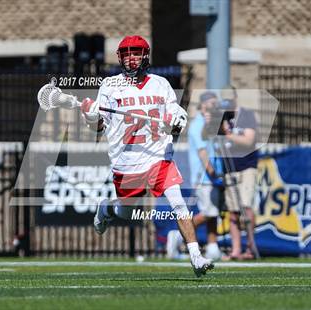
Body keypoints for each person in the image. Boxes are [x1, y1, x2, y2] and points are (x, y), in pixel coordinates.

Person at [80, 35, 214, 277]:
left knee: (178, 203)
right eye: (127, 53)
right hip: (127, 161)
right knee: (128, 211)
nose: (132, 59)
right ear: (121, 57)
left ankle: (196, 256)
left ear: (145, 56)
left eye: (137, 53)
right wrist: (91, 115)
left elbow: (175, 116)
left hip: (158, 156)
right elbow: (99, 127)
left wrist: (177, 120)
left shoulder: (160, 84)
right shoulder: (110, 85)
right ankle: (107, 209)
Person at [166, 91, 224, 261]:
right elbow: (202, 152)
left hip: (212, 176)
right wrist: (212, 171)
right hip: (204, 176)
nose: (215, 107)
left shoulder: (211, 124)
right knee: (208, 212)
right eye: (212, 103)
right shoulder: (199, 124)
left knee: (213, 212)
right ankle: (177, 235)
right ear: (203, 104)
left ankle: (213, 246)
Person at [219, 86, 259, 260]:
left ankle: (250, 247)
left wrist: (228, 135)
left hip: (247, 167)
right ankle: (236, 250)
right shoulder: (222, 118)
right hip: (230, 168)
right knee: (233, 211)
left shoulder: (247, 115)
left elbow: (248, 140)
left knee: (246, 207)